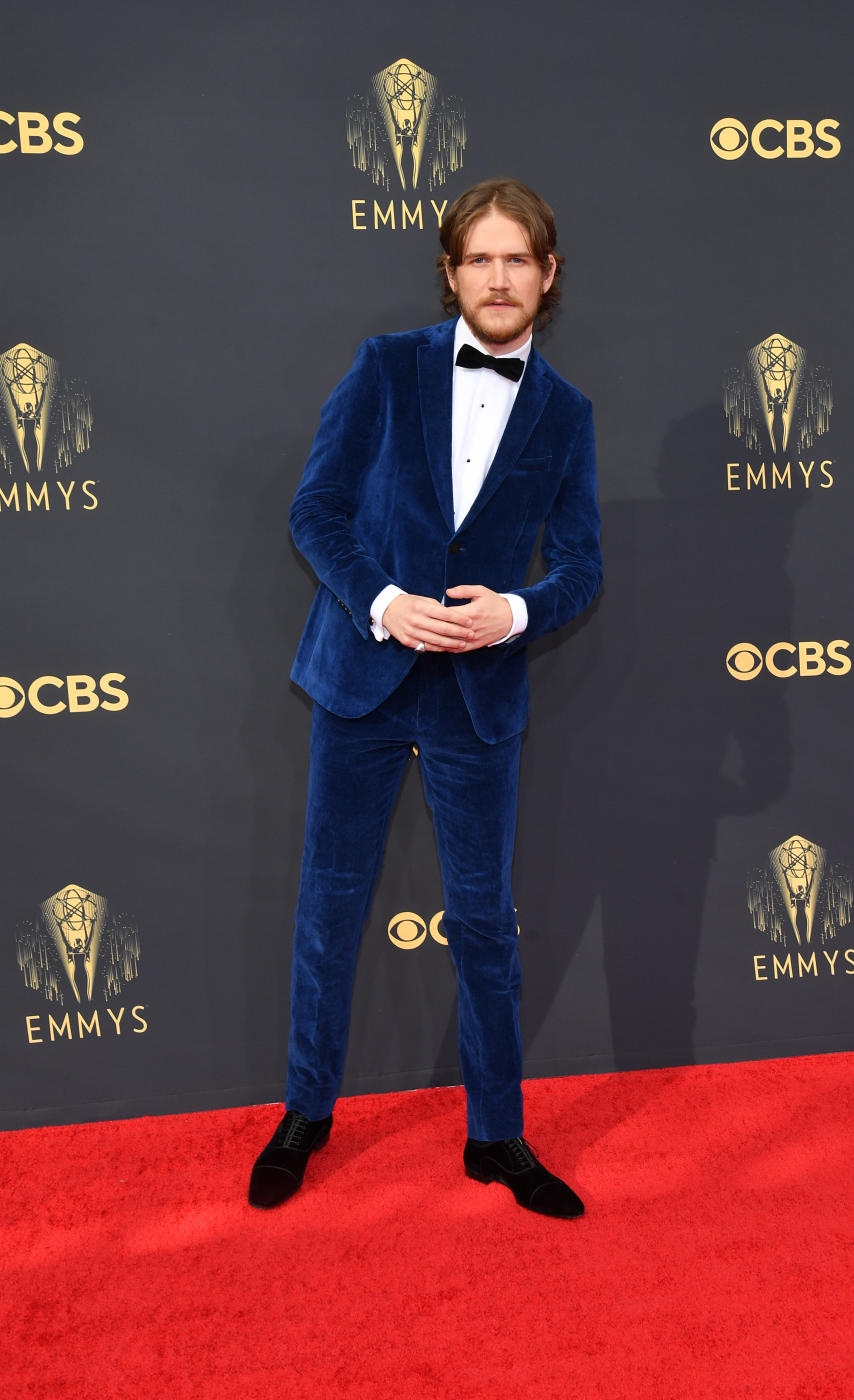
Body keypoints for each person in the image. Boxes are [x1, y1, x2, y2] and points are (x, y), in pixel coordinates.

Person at [249, 177, 602, 1218]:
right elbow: (315, 509)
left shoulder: (568, 412)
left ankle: (497, 1133)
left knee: (486, 923)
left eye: (517, 258)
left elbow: (581, 567)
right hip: (364, 675)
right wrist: (387, 600)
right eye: (479, 259)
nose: (499, 277)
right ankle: (307, 1111)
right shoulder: (386, 365)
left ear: (548, 274)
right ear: (451, 273)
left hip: (477, 697)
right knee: (330, 906)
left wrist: (518, 614)